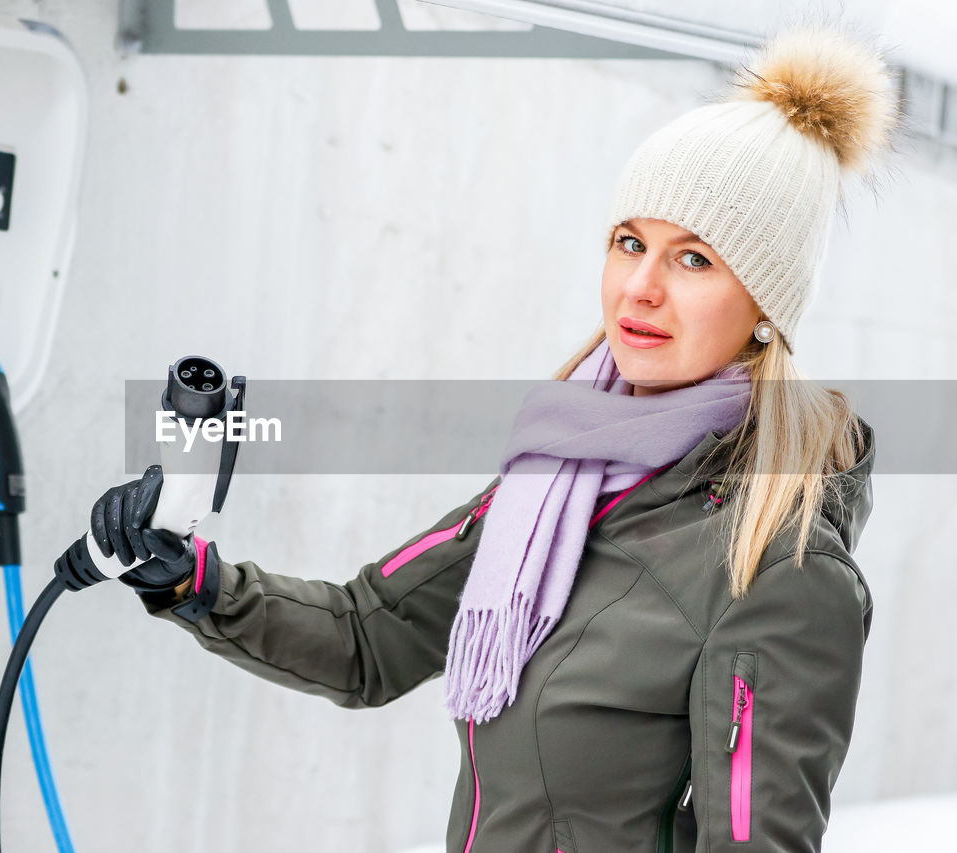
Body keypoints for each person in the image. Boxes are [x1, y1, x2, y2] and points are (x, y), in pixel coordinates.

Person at [91, 24, 899, 852]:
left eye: (694, 260)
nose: (642, 287)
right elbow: (371, 634)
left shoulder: (778, 570)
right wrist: (196, 580)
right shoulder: (559, 479)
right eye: (630, 243)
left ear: (766, 306)